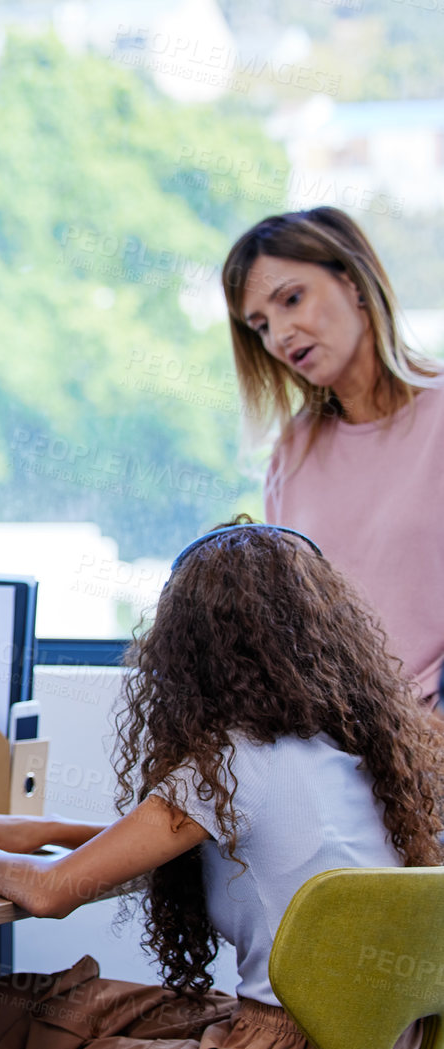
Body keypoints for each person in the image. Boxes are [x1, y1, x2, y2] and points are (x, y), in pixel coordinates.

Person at [0, 519, 443, 1049]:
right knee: (33, 1004)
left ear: (187, 648)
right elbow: (229, 852)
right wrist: (51, 830)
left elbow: (50, 893)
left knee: (11, 1024)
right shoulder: (364, 760)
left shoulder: (229, 763)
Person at [222, 206, 444, 704]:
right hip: (341, 744)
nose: (280, 336)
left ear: (355, 284)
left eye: (292, 299)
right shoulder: (292, 455)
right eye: (260, 325)